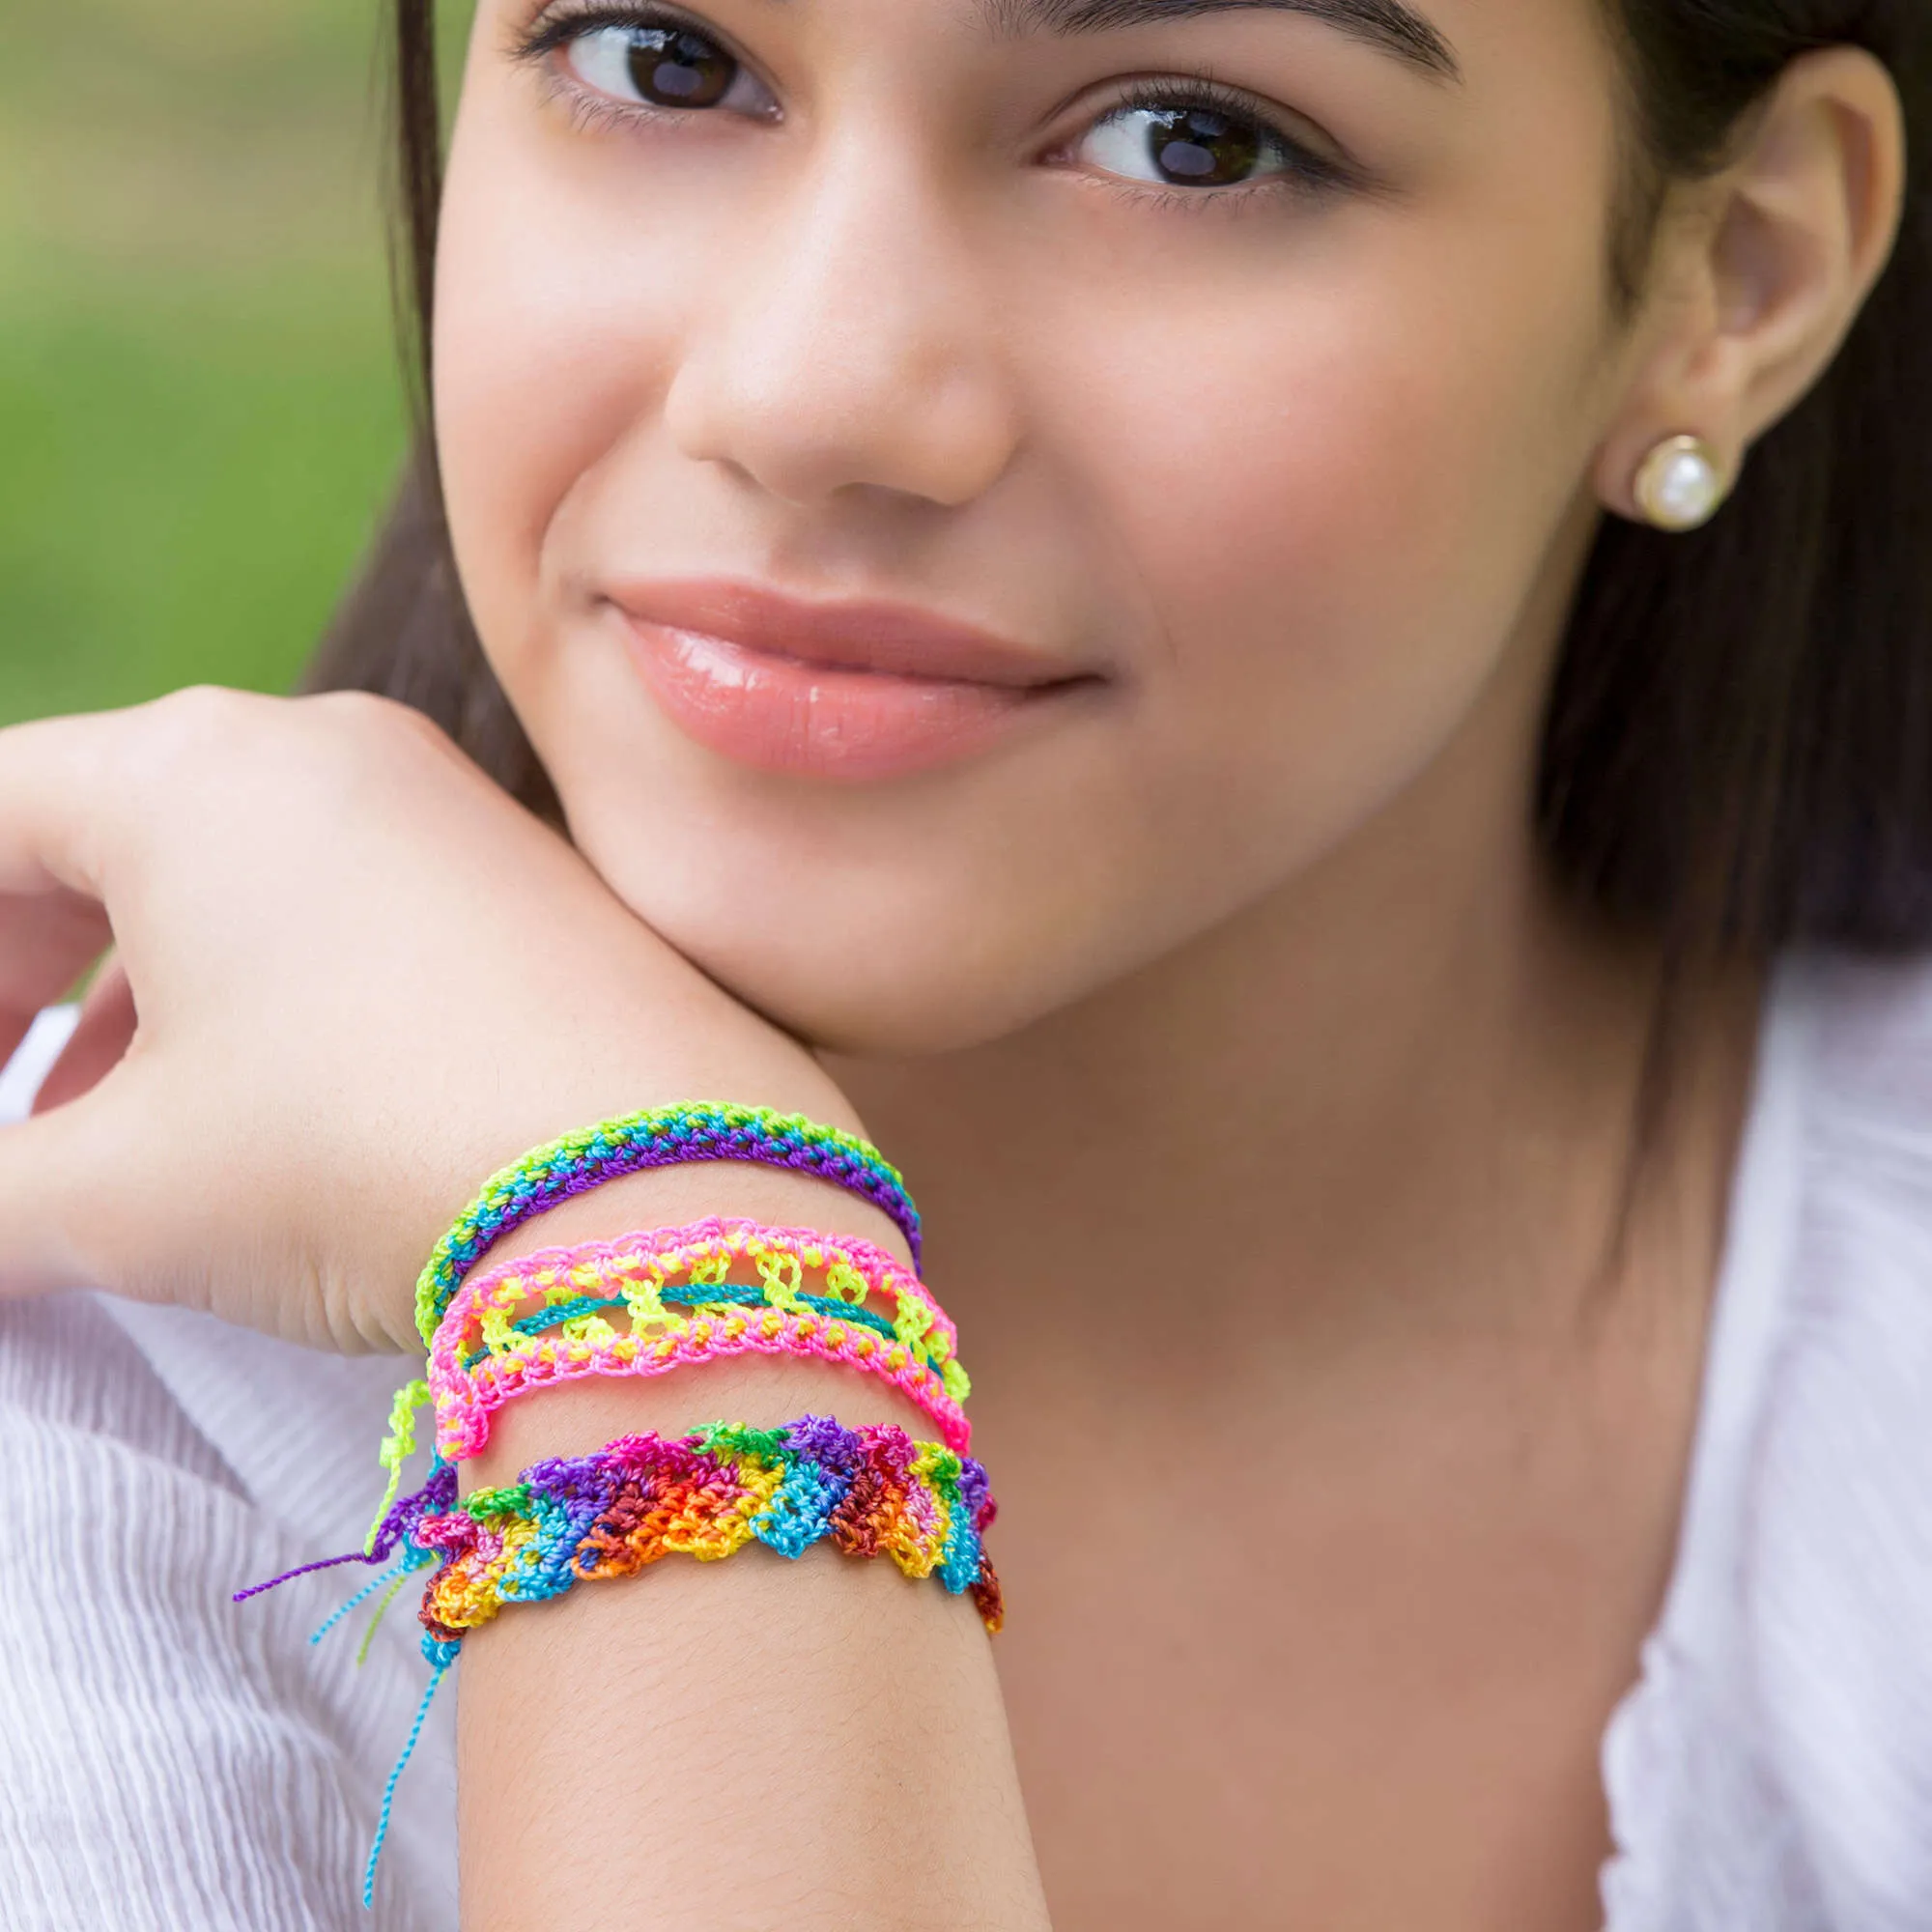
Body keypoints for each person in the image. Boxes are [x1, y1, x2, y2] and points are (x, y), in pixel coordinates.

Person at [1, 0, 1928, 1925]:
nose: (805, 391)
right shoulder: (78, 1409)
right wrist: (693, 1300)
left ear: (1736, 275)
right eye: (661, 62)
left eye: (1194, 140)